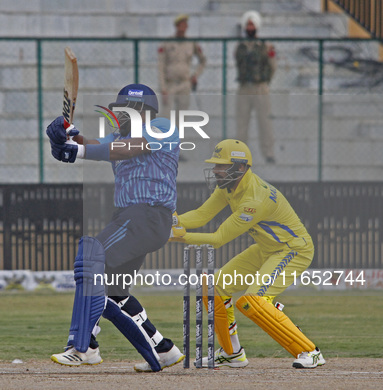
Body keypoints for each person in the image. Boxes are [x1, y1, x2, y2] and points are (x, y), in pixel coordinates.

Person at [46, 84, 183, 372]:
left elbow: (125, 150)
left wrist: (78, 151)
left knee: (90, 260)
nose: (118, 114)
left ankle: (83, 346)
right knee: (113, 291)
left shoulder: (162, 127)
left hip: (146, 215)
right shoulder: (120, 135)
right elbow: (98, 145)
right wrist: (67, 136)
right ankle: (163, 348)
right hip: (132, 219)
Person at [171, 139, 326, 369]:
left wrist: (179, 235)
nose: (215, 170)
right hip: (266, 248)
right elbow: (202, 215)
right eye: (216, 165)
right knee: (213, 287)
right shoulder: (228, 187)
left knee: (254, 301)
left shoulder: (254, 200)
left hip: (293, 249)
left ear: (240, 167)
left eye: (221, 166)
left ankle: (310, 351)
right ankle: (232, 353)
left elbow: (218, 238)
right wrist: (171, 220)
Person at [235, 10, 277, 164]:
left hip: (260, 87)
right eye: (248, 25)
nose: (250, 28)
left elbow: (272, 66)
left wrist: (265, 81)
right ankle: (240, 155)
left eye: (252, 24)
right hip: (245, 87)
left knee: (264, 122)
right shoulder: (240, 46)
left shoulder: (265, 46)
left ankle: (268, 153)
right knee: (242, 123)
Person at [158, 13, 206, 118]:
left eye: (185, 25)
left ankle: (179, 134)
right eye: (180, 25)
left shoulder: (191, 43)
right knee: (166, 114)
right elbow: (161, 66)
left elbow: (203, 60)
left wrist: (195, 75)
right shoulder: (168, 43)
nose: (183, 27)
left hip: (184, 83)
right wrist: (163, 88)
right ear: (176, 26)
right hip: (170, 84)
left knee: (181, 116)